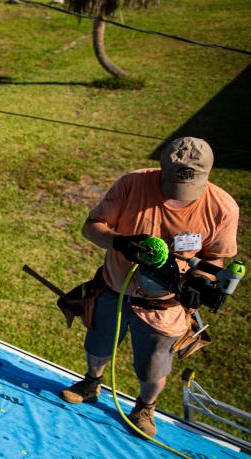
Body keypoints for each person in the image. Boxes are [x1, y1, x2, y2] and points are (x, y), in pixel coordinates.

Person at [60, 137, 239, 437]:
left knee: (153, 365)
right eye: (173, 188)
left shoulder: (222, 209)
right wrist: (120, 242)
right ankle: (92, 383)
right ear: (162, 169)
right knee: (99, 344)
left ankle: (145, 408)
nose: (181, 199)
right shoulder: (133, 184)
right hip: (115, 289)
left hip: (166, 305)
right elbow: (91, 227)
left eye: (190, 190)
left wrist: (201, 282)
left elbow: (215, 257)